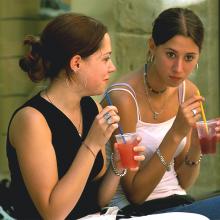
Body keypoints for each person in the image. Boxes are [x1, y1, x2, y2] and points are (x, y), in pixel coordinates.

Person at [6, 13, 145, 219]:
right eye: (105, 58)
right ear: (77, 63)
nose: (112, 67)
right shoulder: (32, 120)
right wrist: (91, 144)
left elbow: (97, 200)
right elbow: (53, 213)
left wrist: (117, 165)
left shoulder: (92, 109)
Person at [102, 7, 220, 219]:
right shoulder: (123, 99)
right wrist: (175, 134)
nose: (179, 68)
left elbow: (182, 182)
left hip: (179, 203)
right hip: (133, 211)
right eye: (171, 54)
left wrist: (195, 147)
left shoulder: (188, 92)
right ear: (152, 46)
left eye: (189, 57)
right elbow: (135, 194)